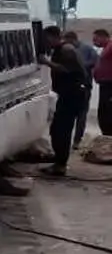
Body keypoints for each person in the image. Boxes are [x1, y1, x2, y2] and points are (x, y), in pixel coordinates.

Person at [38, 25, 88, 176]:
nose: (45, 42)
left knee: (62, 130)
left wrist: (46, 62)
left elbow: (66, 69)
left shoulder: (67, 50)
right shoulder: (62, 49)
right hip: (67, 95)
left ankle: (60, 165)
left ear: (52, 37)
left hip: (72, 96)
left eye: (46, 39)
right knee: (57, 129)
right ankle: (59, 160)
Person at [64, 30, 99, 148]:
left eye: (68, 41)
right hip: (70, 87)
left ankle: (77, 140)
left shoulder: (88, 49)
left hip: (84, 85)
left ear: (73, 39)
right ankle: (67, 140)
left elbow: (95, 61)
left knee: (82, 114)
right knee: (69, 114)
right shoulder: (67, 50)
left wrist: (81, 65)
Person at [93, 29, 112, 135]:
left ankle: (108, 134)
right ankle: (106, 133)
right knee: (103, 111)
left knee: (107, 112)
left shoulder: (111, 46)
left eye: (96, 39)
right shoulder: (106, 48)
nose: (94, 42)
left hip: (109, 84)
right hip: (104, 84)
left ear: (103, 37)